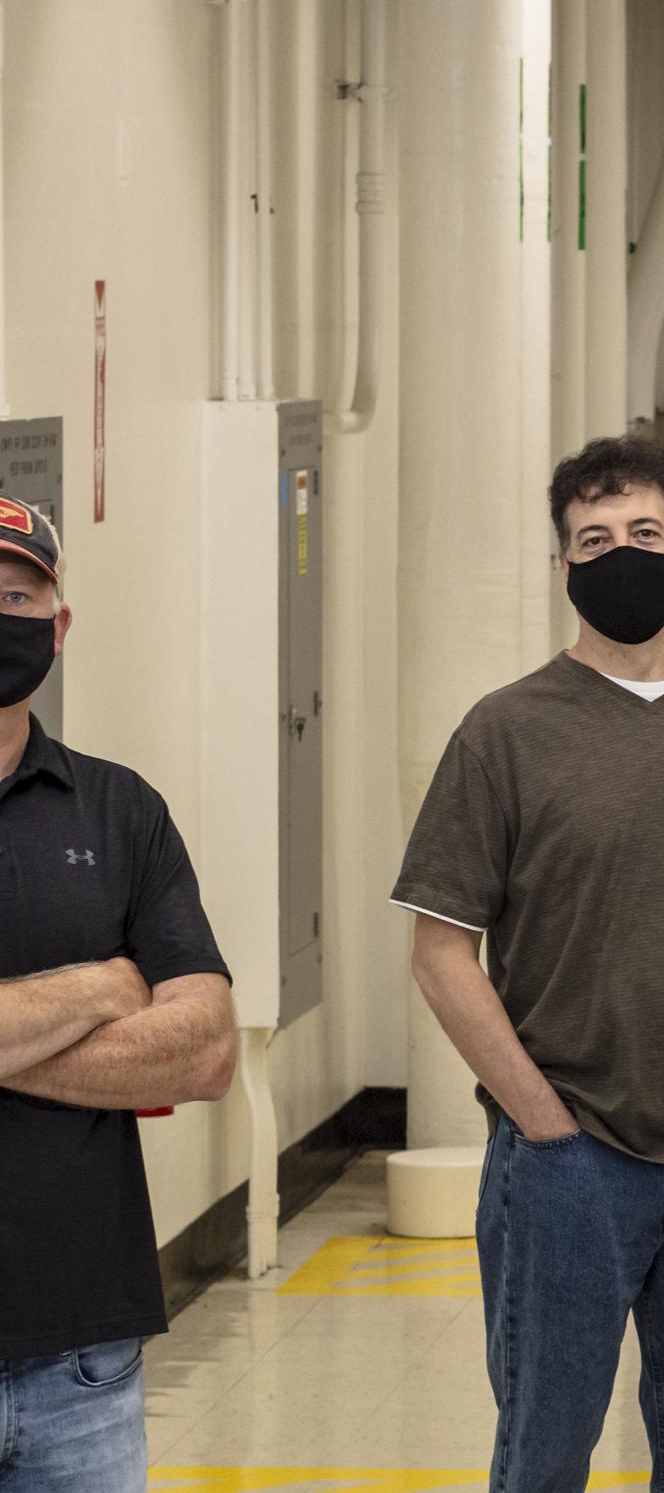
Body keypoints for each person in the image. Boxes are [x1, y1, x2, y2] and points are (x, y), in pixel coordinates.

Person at [393, 437, 664, 1493]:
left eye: (642, 533)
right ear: (563, 568)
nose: (620, 555)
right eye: (594, 540)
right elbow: (441, 950)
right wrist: (542, 1121)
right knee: (544, 1458)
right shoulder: (502, 733)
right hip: (568, 1170)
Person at [0, 496, 237, 1493]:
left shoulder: (120, 810)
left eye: (17, 595)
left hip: (82, 1360)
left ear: (57, 628)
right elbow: (156, 1020)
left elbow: (207, 1049)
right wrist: (101, 987)